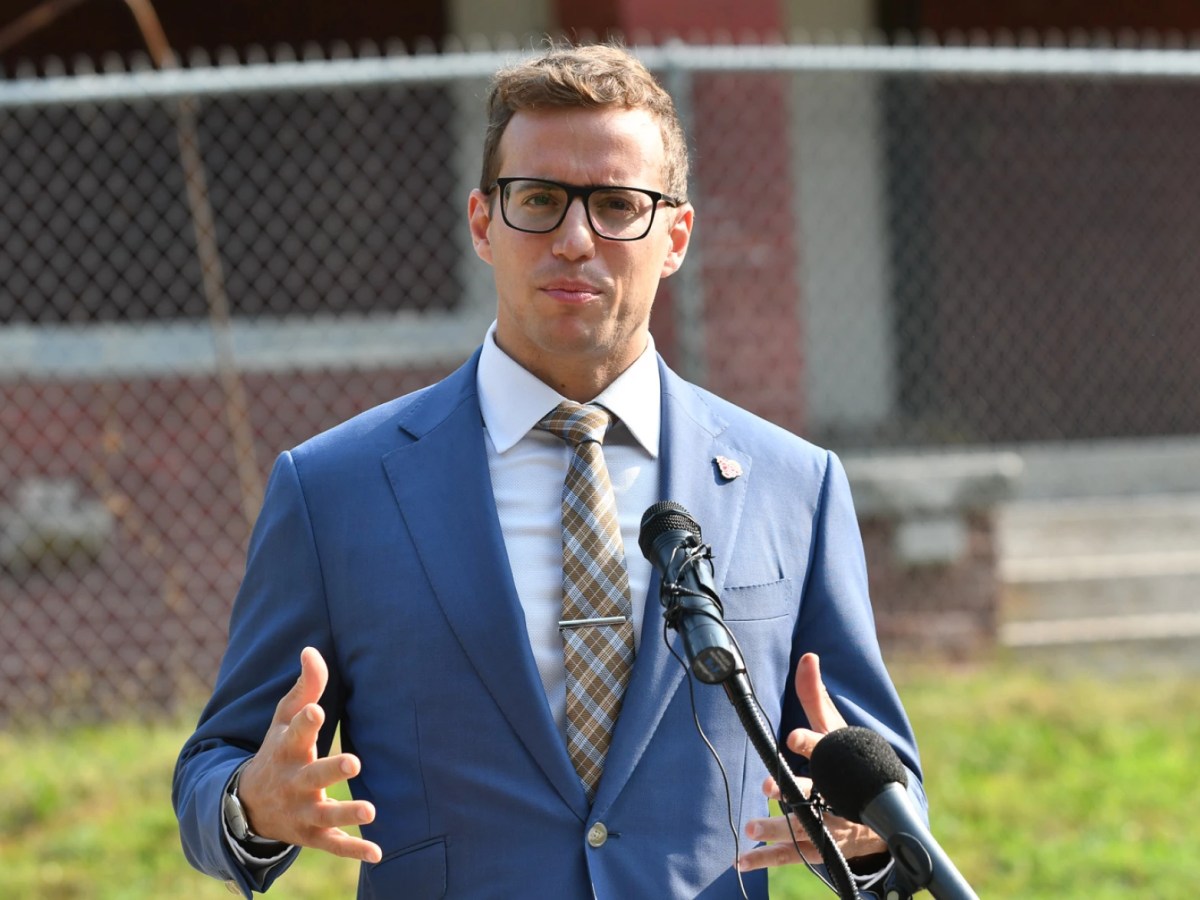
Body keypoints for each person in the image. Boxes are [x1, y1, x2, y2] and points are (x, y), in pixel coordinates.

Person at [173, 42, 926, 899]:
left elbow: (888, 786)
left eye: (616, 205)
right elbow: (214, 765)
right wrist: (248, 804)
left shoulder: (795, 485)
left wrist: (870, 837)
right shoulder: (336, 489)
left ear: (674, 235)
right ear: (483, 223)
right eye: (538, 201)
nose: (575, 240)